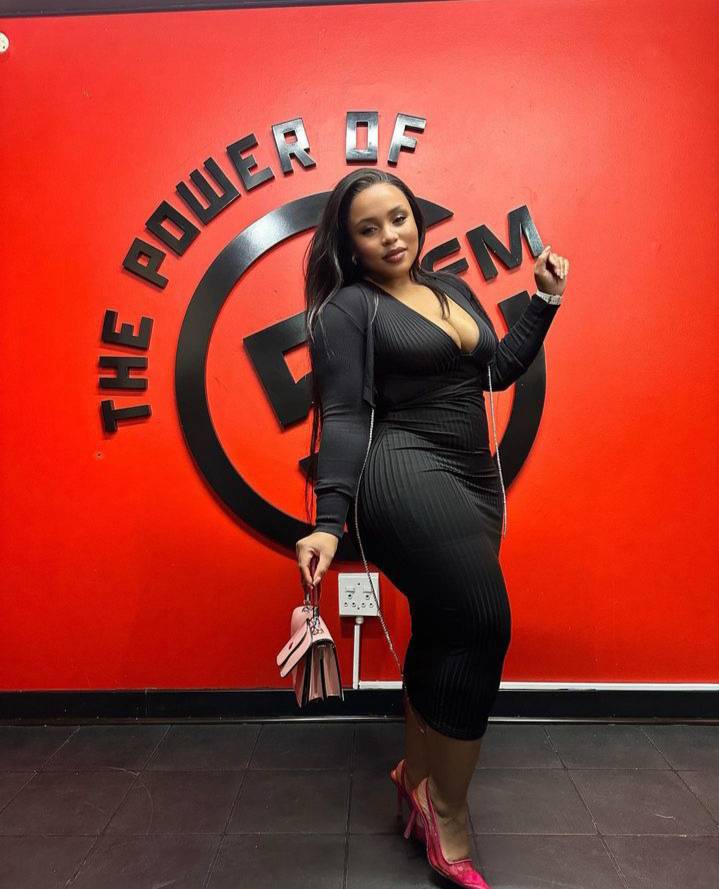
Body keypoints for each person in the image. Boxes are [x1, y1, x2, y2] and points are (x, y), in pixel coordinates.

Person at [295, 168, 568, 887]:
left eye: (399, 218)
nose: (391, 236)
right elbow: (345, 416)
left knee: (445, 627)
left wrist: (544, 300)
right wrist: (328, 522)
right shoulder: (349, 308)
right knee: (483, 621)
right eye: (369, 228)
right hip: (402, 467)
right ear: (349, 245)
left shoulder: (449, 288)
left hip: (472, 476)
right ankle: (447, 811)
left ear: (416, 219)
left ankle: (414, 776)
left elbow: (495, 371)